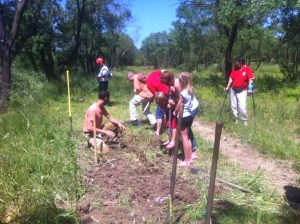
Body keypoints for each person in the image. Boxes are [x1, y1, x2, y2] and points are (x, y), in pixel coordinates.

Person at [173, 72, 197, 167]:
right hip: (189, 116)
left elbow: (179, 104)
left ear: (182, 81)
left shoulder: (182, 93)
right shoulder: (190, 90)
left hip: (183, 116)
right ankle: (190, 158)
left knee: (184, 139)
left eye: (179, 80)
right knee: (188, 138)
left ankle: (186, 160)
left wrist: (175, 110)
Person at [224, 57, 254, 126]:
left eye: (237, 63)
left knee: (242, 107)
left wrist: (250, 90)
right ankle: (235, 120)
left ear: (241, 63)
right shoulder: (235, 69)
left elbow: (251, 80)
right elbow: (231, 78)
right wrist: (227, 87)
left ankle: (245, 120)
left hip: (242, 90)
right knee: (233, 106)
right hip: (234, 90)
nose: (235, 64)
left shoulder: (247, 69)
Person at [147, 70, 173, 136]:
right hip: (170, 93)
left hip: (163, 96)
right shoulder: (154, 73)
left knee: (159, 115)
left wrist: (155, 100)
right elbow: (163, 70)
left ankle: (157, 132)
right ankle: (169, 129)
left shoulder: (148, 85)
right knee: (168, 113)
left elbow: (156, 94)